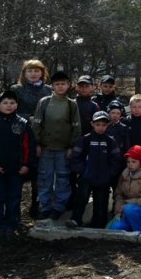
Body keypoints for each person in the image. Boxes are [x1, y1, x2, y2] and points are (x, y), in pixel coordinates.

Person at [0, 90, 34, 239]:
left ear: (17, 105)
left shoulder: (22, 124)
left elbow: (29, 147)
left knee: (14, 197)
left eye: (12, 103)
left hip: (16, 170)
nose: (8, 106)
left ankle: (11, 224)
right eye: (5, 103)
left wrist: (26, 165)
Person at [32, 70, 81, 220]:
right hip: (46, 148)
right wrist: (37, 143)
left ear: (68, 85)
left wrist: (72, 146)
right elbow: (37, 124)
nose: (60, 87)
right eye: (57, 84)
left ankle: (59, 206)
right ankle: (45, 206)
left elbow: (76, 127)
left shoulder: (72, 104)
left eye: (63, 84)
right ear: (52, 86)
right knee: (45, 178)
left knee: (62, 178)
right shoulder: (44, 102)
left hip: (63, 150)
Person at [66, 111, 122, 229]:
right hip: (86, 177)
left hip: (103, 179)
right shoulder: (84, 140)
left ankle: (98, 225)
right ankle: (75, 220)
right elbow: (75, 158)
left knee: (101, 203)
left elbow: (116, 161)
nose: (100, 128)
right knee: (81, 198)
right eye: (98, 124)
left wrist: (109, 174)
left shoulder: (111, 141)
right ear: (92, 124)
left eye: (103, 125)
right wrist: (83, 171)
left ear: (108, 125)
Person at [10, 59, 52, 218]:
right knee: (20, 172)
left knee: (39, 173)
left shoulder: (49, 90)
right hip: (22, 134)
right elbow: (11, 109)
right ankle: (14, 209)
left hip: (43, 136)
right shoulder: (17, 89)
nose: (33, 74)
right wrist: (29, 118)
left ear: (42, 73)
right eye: (30, 71)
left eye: (36, 70)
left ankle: (35, 205)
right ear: (24, 73)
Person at [109, 145, 141, 233]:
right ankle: (131, 225)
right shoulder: (124, 174)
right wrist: (118, 212)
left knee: (130, 209)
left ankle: (140, 235)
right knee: (114, 227)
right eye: (128, 162)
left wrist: (127, 204)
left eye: (134, 162)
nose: (130, 164)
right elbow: (118, 195)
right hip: (125, 211)